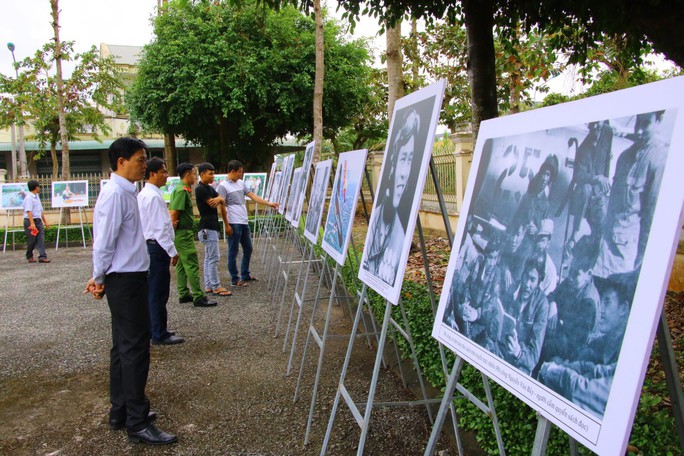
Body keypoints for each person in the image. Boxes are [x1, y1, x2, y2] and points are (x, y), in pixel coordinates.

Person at [84, 137, 177, 445]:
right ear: (121, 161)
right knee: (135, 349)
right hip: (125, 279)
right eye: (139, 159)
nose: (143, 165)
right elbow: (104, 241)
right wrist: (98, 278)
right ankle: (137, 422)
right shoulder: (114, 194)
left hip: (129, 276)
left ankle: (121, 410)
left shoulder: (126, 191)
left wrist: (100, 277)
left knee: (122, 346)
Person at [538, 276, 631, 419]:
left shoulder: (629, 354)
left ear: (623, 309)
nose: (601, 310)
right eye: (602, 301)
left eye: (607, 302)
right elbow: (592, 367)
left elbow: (587, 391)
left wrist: (557, 372)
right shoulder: (600, 343)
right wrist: (564, 366)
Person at [594, 111, 667, 278]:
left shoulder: (659, 161)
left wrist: (641, 261)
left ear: (658, 121)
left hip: (626, 256)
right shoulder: (624, 157)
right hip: (603, 249)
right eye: (637, 123)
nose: (639, 130)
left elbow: (651, 217)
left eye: (646, 123)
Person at [363, 108, 420, 286]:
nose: (404, 173)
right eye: (403, 158)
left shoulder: (400, 235)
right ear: (393, 163)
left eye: (410, 160)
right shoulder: (378, 216)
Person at [137, 157, 184, 346]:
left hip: (153, 246)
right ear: (152, 174)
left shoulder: (146, 194)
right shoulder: (153, 196)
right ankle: (159, 333)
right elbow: (158, 229)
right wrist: (172, 251)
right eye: (163, 172)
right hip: (157, 247)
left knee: (154, 290)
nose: (166, 175)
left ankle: (155, 328)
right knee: (158, 291)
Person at [218, 160, 278, 287]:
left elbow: (253, 196)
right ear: (232, 171)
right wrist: (226, 224)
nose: (241, 174)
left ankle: (245, 274)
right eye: (239, 172)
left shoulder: (240, 183)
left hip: (243, 221)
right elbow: (221, 206)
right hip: (233, 222)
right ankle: (235, 279)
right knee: (233, 251)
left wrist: (268, 203)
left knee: (248, 248)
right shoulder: (223, 186)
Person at [541, 243, 601, 364]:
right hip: (563, 339)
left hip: (576, 354)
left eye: (576, 273)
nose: (570, 276)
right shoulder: (572, 282)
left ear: (588, 275)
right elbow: (551, 295)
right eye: (570, 270)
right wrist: (553, 304)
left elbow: (577, 342)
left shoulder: (588, 302)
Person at [169, 163, 217, 307]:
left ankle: (183, 293)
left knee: (183, 265)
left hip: (181, 233)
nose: (195, 177)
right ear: (188, 174)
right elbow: (175, 212)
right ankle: (198, 296)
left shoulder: (181, 189)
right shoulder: (182, 191)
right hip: (183, 233)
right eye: (194, 174)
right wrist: (172, 226)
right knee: (191, 263)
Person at [498, 260, 550, 375]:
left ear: (539, 281)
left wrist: (518, 352)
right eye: (525, 276)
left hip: (519, 362)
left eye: (532, 279)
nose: (527, 284)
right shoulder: (514, 288)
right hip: (501, 349)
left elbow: (533, 357)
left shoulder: (542, 304)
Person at [195, 162, 232, 297]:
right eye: (210, 174)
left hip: (211, 227)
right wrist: (218, 200)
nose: (213, 176)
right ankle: (216, 286)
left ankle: (209, 285)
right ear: (202, 174)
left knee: (209, 257)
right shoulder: (200, 189)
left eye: (213, 173)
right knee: (213, 258)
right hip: (207, 227)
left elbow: (222, 200)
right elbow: (212, 203)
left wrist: (219, 199)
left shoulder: (209, 188)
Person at [22, 180, 50, 263]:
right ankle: (29, 255)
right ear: (36, 187)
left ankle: (42, 256)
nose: (39, 188)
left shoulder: (37, 197)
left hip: (38, 220)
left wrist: (45, 222)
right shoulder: (29, 198)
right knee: (31, 240)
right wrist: (32, 223)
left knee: (41, 238)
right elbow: (29, 211)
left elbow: (40, 211)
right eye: (39, 187)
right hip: (30, 221)